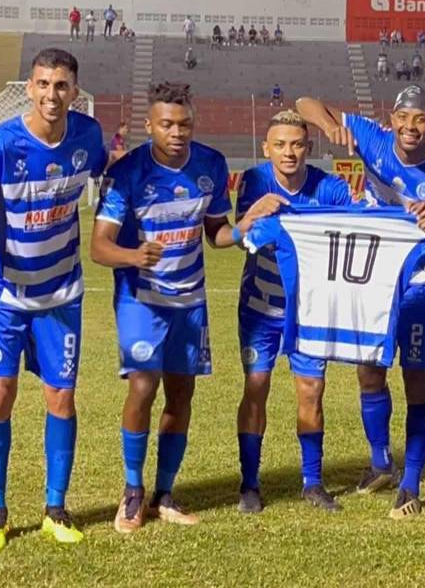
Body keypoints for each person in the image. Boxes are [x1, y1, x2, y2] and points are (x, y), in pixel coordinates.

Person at [91, 82, 283, 533]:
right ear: (149, 125)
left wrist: (244, 228)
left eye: (184, 123)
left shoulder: (211, 165)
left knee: (181, 394)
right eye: (167, 124)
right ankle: (132, 490)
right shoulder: (129, 174)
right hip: (141, 300)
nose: (177, 132)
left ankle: (165, 492)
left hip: (190, 301)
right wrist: (133, 256)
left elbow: (216, 235)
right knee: (142, 387)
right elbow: (99, 246)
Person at [0, 48, 108, 552]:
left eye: (61, 85)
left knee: (60, 398)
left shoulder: (87, 136)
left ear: (74, 91)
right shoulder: (1, 143)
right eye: (43, 84)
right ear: (29, 87)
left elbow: (112, 174)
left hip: (61, 291)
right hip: (3, 292)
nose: (51, 94)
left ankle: (55, 508)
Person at [296, 85, 425, 519]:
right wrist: (332, 125)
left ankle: (410, 481)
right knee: (369, 372)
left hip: (419, 282)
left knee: (415, 379)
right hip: (372, 278)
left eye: (420, 120)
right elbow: (305, 103)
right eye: (403, 118)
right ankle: (380, 462)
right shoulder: (371, 138)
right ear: (391, 120)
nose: (410, 127)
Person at [235, 110, 361, 514]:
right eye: (281, 145)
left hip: (309, 311)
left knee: (311, 392)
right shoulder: (255, 181)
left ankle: (313, 481)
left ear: (309, 147)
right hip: (260, 307)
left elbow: (361, 221)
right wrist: (255, 213)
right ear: (266, 147)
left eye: (297, 144)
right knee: (256, 387)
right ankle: (250, 483)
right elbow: (239, 236)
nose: (289, 153)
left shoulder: (330, 188)